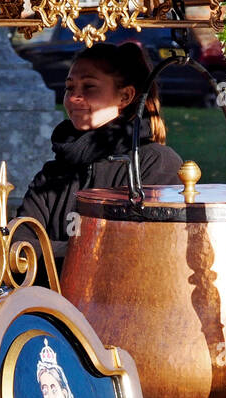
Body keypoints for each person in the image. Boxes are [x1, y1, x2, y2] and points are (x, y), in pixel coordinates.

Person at [19, 42, 183, 263]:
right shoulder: (53, 172)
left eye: (89, 87)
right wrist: (90, 251)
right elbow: (19, 245)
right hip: (48, 297)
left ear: (125, 96)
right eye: (69, 88)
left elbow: (137, 250)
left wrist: (52, 252)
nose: (74, 98)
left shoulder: (155, 163)